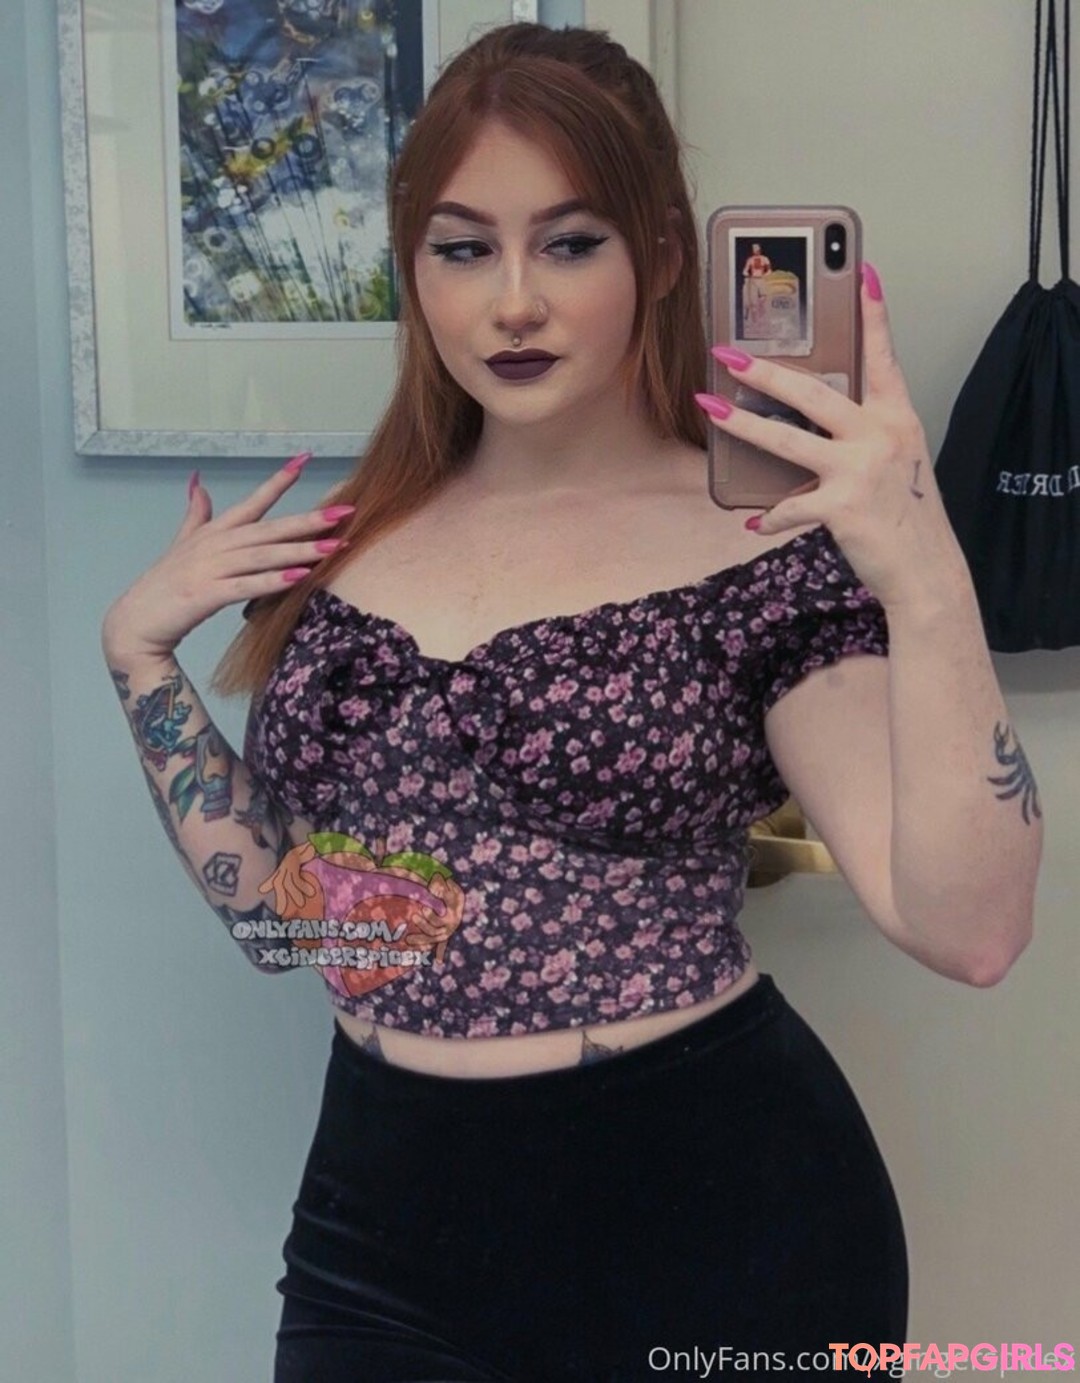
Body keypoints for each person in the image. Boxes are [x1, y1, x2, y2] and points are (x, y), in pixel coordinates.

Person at [101, 22, 1042, 1381]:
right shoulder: (349, 543)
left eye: (570, 242)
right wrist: (140, 661)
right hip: (381, 1229)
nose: (514, 304)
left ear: (657, 256)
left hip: (712, 1225)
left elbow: (971, 931)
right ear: (415, 267)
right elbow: (287, 922)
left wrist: (924, 570)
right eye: (463, 247)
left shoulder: (763, 548)